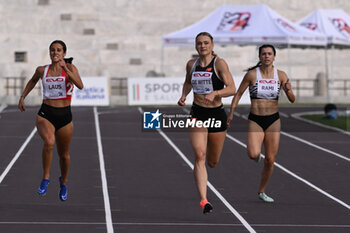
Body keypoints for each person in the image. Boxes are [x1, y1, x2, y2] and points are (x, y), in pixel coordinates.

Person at [227, 44, 295, 203]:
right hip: (256, 119)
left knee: (270, 159)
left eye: (269, 54)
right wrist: (231, 113)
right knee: (252, 154)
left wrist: (289, 90)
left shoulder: (281, 75)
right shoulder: (252, 75)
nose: (266, 56)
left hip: (273, 120)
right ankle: (256, 155)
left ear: (274, 57)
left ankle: (262, 191)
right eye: (263, 54)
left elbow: (292, 100)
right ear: (260, 57)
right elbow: (238, 94)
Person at [178, 32, 236, 214]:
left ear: (212, 45)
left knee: (212, 161)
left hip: (217, 114)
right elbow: (188, 82)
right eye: (199, 43)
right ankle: (204, 200)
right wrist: (183, 95)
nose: (202, 46)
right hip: (198, 112)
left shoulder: (219, 63)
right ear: (196, 46)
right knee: (199, 156)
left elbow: (232, 88)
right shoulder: (191, 64)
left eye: (205, 43)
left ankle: (209, 168)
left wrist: (216, 93)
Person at [18, 40, 84, 201]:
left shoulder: (70, 68)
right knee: (49, 142)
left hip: (65, 115)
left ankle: (64, 182)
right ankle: (46, 178)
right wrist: (22, 97)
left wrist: (66, 69)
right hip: (46, 113)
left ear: (64, 53)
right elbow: (33, 81)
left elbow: (80, 85)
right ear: (49, 53)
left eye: (59, 50)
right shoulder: (42, 70)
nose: (55, 52)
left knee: (64, 155)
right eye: (52, 50)